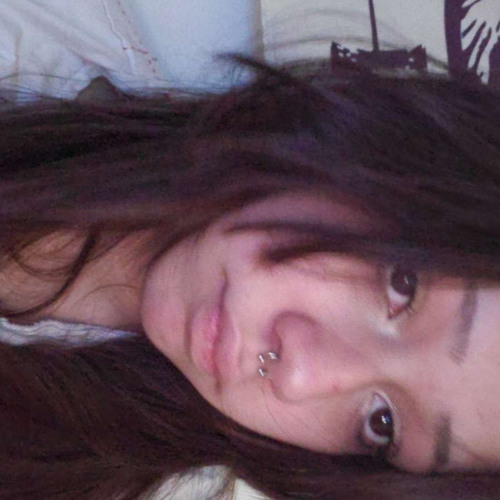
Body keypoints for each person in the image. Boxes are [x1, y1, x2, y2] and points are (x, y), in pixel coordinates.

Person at [2, 56, 500, 500]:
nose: (299, 378)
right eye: (402, 285)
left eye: (381, 424)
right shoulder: (47, 51)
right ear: (381, 153)